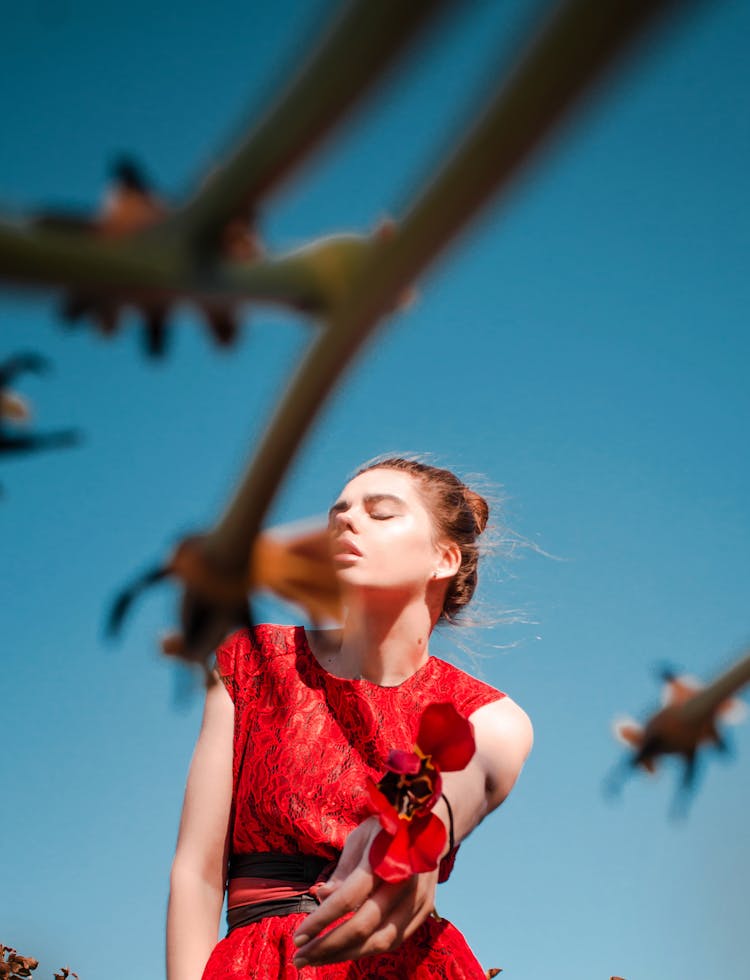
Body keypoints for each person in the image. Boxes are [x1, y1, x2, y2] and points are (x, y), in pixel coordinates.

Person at [166, 456, 533, 979]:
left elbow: (469, 776)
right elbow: (197, 872)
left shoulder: (489, 714)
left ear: (444, 559)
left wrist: (414, 830)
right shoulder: (252, 661)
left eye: (380, 513)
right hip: (257, 963)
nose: (346, 521)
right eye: (337, 512)